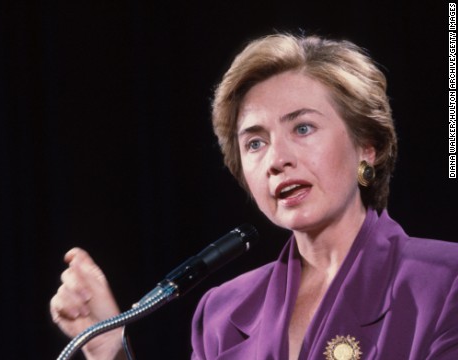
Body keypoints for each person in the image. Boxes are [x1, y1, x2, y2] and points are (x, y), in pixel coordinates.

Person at [49, 33, 458, 360]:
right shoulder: (223, 312)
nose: (277, 160)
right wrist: (110, 350)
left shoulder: (443, 283)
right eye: (256, 143)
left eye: (302, 128)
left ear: (366, 146)